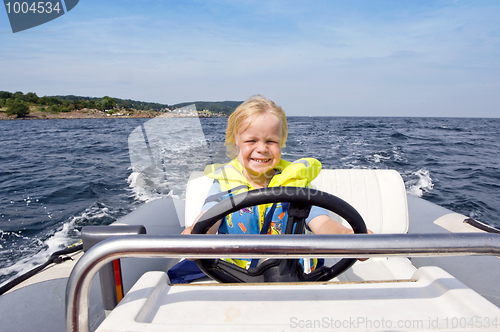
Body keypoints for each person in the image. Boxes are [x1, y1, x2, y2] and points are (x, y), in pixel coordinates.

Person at [180, 95, 370, 271]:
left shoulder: (296, 183)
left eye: (271, 141)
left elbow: (322, 223)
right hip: (232, 274)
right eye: (251, 140)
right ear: (234, 142)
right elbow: (208, 220)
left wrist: (348, 235)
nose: (261, 149)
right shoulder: (224, 183)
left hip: (292, 273)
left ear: (281, 142)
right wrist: (195, 235)